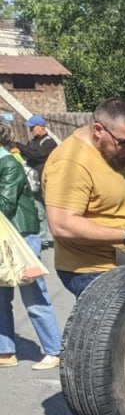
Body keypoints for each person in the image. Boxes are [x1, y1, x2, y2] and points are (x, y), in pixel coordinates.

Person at [42, 97, 125, 298]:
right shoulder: (71, 162)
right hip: (91, 269)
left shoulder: (122, 150)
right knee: (114, 329)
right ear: (98, 130)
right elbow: (62, 225)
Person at [0, 122, 62, 369]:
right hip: (4, 238)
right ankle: (6, 351)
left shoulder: (8, 164)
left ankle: (53, 349)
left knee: (33, 295)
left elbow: (5, 204)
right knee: (1, 296)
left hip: (22, 237)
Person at [23, 114, 57, 246]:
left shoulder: (49, 142)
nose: (31, 130)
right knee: (38, 210)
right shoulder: (31, 142)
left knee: (52, 211)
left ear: (41, 127)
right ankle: (43, 239)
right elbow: (27, 155)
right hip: (34, 181)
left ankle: (61, 238)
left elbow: (37, 155)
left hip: (48, 182)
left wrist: (20, 146)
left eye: (32, 127)